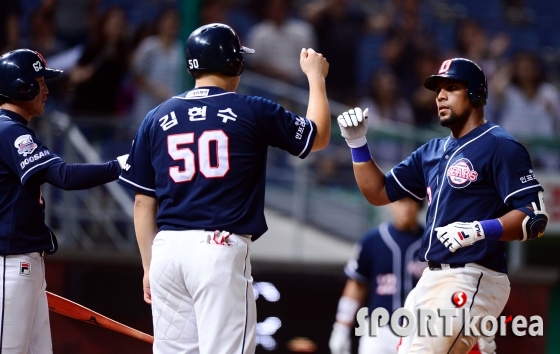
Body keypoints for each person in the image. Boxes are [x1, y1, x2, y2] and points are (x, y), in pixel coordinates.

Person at [117, 23, 330, 354]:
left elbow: (143, 204)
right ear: (235, 63)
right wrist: (316, 78)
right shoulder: (251, 109)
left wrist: (149, 267)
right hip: (217, 249)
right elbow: (317, 137)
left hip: (167, 251)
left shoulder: (156, 116)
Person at [336, 57, 548, 353]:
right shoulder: (432, 151)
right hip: (430, 278)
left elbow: (534, 219)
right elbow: (379, 193)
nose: (441, 96)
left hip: (473, 275)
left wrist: (478, 230)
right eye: (438, 90)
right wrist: (358, 144)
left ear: (475, 93)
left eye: (451, 87)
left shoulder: (500, 144)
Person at [0, 49, 124, 353]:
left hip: (21, 262)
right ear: (21, 86)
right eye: (40, 81)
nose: (46, 89)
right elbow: (64, 177)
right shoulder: (9, 131)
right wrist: (119, 166)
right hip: (11, 262)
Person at [329, 197, 425, 354]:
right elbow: (357, 284)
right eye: (401, 201)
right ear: (390, 204)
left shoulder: (430, 242)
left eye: (411, 201)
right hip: (379, 330)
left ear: (420, 204)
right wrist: (341, 327)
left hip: (419, 330)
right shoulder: (372, 240)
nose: (406, 207)